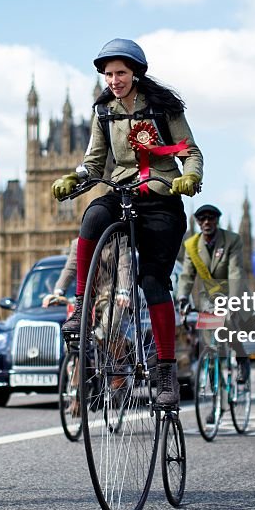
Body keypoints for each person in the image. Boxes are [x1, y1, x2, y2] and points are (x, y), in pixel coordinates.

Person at [52, 38, 202, 409]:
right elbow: (95, 161)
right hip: (123, 192)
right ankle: (82, 309)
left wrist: (190, 178)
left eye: (120, 73)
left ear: (135, 72)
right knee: (92, 216)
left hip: (161, 196)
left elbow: (190, 152)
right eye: (108, 74)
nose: (113, 80)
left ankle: (165, 373)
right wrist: (77, 178)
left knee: (152, 281)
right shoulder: (104, 111)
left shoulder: (164, 109)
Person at [176, 203, 249, 385]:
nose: (207, 222)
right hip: (208, 298)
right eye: (202, 219)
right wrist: (183, 298)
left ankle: (241, 359)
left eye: (211, 218)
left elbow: (235, 272)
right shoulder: (191, 245)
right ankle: (217, 397)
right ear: (198, 223)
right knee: (209, 344)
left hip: (231, 291)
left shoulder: (231, 240)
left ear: (217, 220)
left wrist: (233, 301)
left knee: (230, 323)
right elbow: (186, 275)